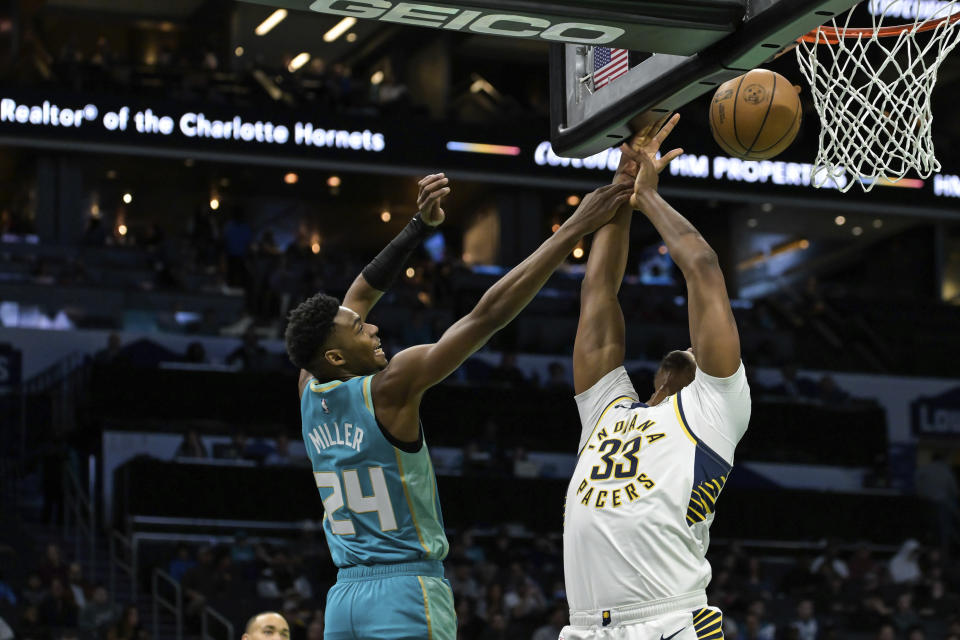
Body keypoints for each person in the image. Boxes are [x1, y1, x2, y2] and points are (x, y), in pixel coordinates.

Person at [284, 173, 631, 639]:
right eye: (359, 331)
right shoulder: (391, 387)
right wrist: (572, 229)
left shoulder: (309, 386)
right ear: (336, 357)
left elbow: (359, 294)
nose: (371, 328)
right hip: (405, 593)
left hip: (343, 600)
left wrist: (419, 225)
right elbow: (486, 316)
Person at [561, 115, 751, 640]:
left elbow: (704, 270)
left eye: (698, 345)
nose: (688, 343)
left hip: (667, 622)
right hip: (583, 628)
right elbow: (598, 291)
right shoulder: (608, 409)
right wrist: (622, 186)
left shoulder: (714, 408)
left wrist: (648, 199)